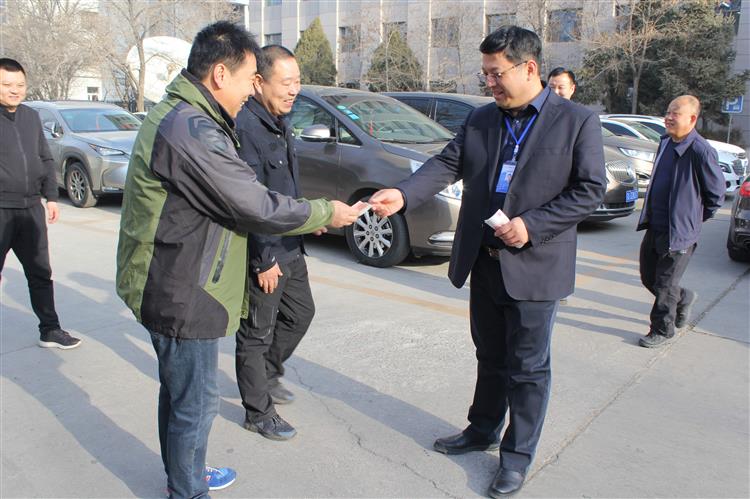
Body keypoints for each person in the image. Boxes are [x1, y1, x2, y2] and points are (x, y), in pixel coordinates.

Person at [116, 22, 359, 499]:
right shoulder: (191, 129)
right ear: (221, 74)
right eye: (251, 78)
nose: (253, 89)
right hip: (181, 287)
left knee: (181, 396)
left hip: (177, 277)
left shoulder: (189, 117)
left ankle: (184, 475)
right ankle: (188, 489)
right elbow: (253, 203)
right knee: (195, 403)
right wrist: (325, 212)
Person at [369, 26, 606, 497]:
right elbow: (446, 163)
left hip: (536, 264)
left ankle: (516, 458)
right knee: (490, 355)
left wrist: (532, 225)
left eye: (497, 73)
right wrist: (403, 193)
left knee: (528, 367)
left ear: (529, 68)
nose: (490, 83)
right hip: (485, 259)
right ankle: (482, 429)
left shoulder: (576, 120)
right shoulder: (482, 119)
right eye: (486, 74)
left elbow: (590, 189)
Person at [234, 45, 309, 441]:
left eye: (297, 81)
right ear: (259, 82)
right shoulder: (247, 127)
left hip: (290, 242)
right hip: (266, 250)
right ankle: (258, 411)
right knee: (256, 332)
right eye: (286, 82)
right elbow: (250, 199)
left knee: (300, 314)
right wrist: (263, 257)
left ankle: (266, 374)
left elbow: (284, 185)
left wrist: (307, 218)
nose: (294, 90)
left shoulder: (279, 120)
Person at [0, 57, 81, 350]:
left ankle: (50, 329)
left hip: (31, 209)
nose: (15, 90)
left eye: (20, 84)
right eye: (7, 84)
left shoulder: (31, 116)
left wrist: (51, 197)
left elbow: (45, 158)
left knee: (40, 272)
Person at [636, 95, 724, 348]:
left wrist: (693, 219)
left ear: (692, 119)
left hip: (679, 232)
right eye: (668, 112)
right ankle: (684, 298)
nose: (669, 117)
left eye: (675, 113)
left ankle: (662, 330)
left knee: (665, 284)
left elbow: (716, 194)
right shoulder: (665, 142)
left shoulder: (700, 150)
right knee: (649, 278)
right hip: (655, 225)